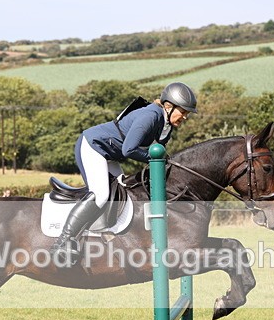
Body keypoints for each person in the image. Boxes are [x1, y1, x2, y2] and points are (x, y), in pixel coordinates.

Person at [50, 82, 198, 266]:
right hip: (93, 146)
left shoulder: (166, 124)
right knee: (101, 195)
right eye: (183, 112)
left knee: (124, 191)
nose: (185, 117)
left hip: (110, 155)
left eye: (187, 113)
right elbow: (129, 149)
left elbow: (157, 149)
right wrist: (154, 159)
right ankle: (63, 241)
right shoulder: (151, 116)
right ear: (169, 106)